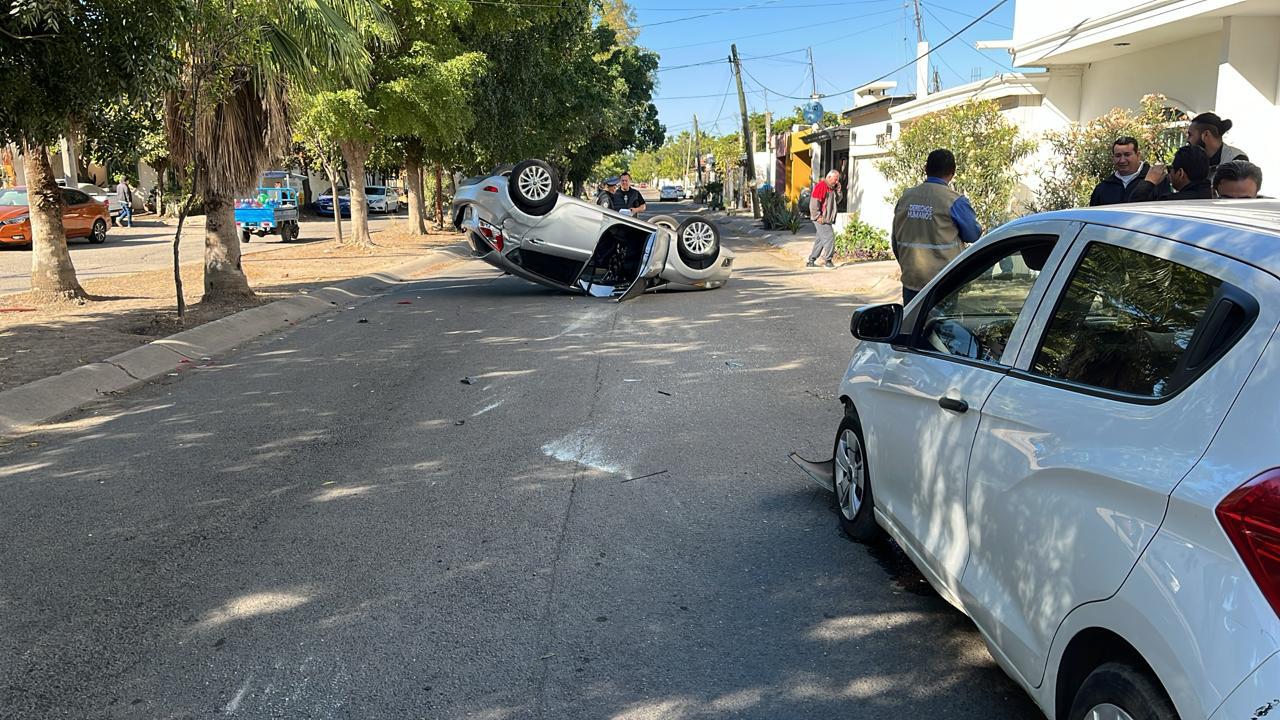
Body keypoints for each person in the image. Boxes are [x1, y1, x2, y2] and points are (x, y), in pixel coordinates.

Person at [890, 149, 981, 305]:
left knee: (913, 319)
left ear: (926, 169)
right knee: (941, 321)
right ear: (952, 172)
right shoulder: (955, 201)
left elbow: (895, 239)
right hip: (943, 282)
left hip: (911, 281)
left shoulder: (906, 197)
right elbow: (973, 235)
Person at [1090, 137, 1164, 206]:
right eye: (1118, 156)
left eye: (1127, 155)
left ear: (1138, 155)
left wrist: (1148, 184)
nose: (1122, 160)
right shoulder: (1103, 188)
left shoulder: (1157, 179)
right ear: (1113, 158)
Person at [1129, 145, 1213, 201]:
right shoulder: (1213, 196)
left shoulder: (1171, 202)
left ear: (1180, 173)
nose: (1169, 174)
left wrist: (1149, 181)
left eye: (1170, 169)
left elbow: (1134, 207)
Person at [805, 170, 843, 268]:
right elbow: (813, 204)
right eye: (835, 179)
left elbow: (837, 201)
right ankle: (828, 261)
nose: (837, 182)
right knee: (830, 238)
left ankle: (811, 261)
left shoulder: (832, 189)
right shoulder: (821, 186)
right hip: (821, 219)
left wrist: (838, 191)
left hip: (826, 219)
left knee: (821, 241)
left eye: (837, 180)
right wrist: (818, 216)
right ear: (829, 177)